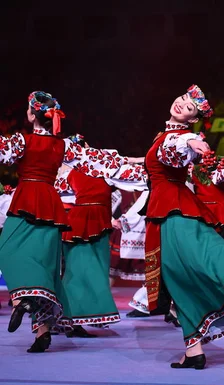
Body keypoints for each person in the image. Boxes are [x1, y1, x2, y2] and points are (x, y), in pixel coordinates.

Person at [0, 90, 139, 353]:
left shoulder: (22, 141)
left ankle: (24, 300)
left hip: (27, 197)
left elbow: (2, 152)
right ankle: (41, 333)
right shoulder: (64, 145)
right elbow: (104, 163)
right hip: (50, 204)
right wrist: (143, 164)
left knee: (7, 251)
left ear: (31, 115)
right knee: (47, 265)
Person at [143, 85, 224, 369]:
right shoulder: (164, 136)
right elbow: (161, 156)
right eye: (182, 98)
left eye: (190, 106)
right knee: (178, 280)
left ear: (194, 119)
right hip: (165, 210)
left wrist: (192, 144)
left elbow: (182, 147)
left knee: (203, 254)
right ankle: (193, 350)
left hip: (173, 208)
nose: (182, 103)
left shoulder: (182, 137)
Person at [54, 134, 146, 337]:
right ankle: (68, 320)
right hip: (79, 223)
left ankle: (80, 318)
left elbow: (125, 165)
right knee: (76, 273)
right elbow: (55, 195)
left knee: (95, 273)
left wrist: (144, 161)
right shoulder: (68, 172)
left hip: (99, 223)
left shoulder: (103, 166)